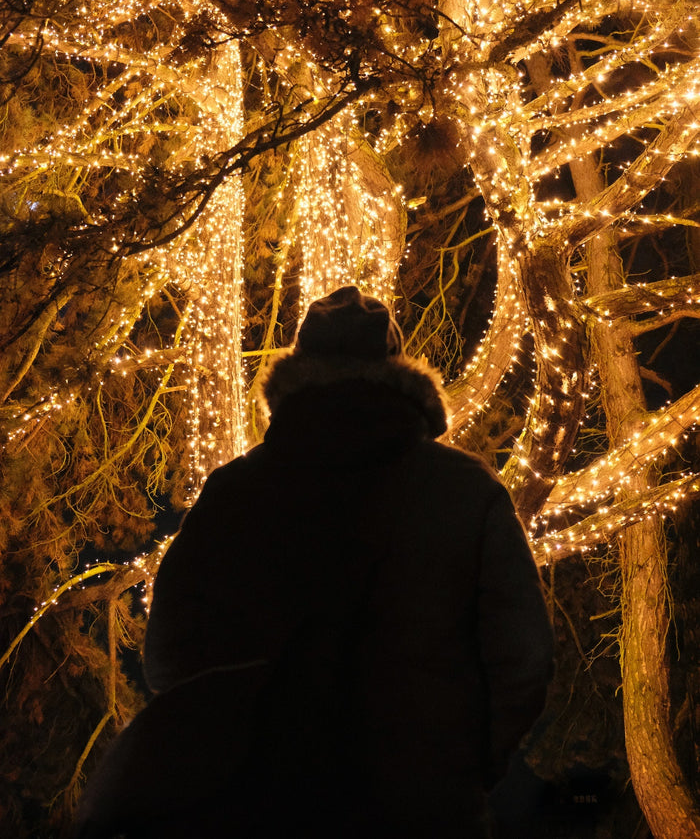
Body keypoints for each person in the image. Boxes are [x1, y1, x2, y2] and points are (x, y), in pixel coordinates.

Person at [76, 285, 553, 839]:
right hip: (421, 805)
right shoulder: (467, 492)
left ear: (296, 376)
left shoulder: (236, 493)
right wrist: (464, 766)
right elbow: (524, 657)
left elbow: (167, 657)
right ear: (399, 375)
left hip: (262, 803)